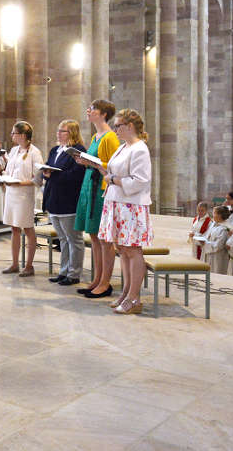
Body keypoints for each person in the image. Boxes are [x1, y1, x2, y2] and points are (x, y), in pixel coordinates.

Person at [95, 109, 153, 314]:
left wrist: (112, 179)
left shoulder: (140, 149)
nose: (116, 129)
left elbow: (140, 181)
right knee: (122, 250)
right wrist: (104, 172)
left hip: (131, 205)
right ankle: (126, 292)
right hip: (116, 202)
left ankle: (134, 298)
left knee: (133, 250)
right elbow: (115, 172)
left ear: (129, 126)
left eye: (118, 125)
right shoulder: (123, 147)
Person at [74, 100, 121, 298]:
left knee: (104, 240)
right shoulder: (95, 136)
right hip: (89, 185)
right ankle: (97, 278)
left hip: (102, 190)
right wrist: (84, 161)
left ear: (103, 114)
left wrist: (92, 162)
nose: (88, 110)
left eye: (92, 109)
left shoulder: (110, 137)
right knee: (93, 237)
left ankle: (105, 282)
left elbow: (115, 165)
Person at [42, 120, 87, 286]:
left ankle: (74, 274)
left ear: (72, 133)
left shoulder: (78, 151)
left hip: (69, 200)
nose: (58, 133)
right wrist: (45, 171)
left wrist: (53, 175)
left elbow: (77, 175)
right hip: (54, 198)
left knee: (74, 239)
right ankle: (63, 271)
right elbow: (49, 169)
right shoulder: (55, 150)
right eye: (58, 130)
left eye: (62, 131)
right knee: (62, 239)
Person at [1, 121, 43, 277]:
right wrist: (4, 177)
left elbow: (38, 179)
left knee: (27, 228)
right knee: (14, 228)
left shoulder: (34, 153)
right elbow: (8, 170)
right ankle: (14, 263)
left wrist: (20, 183)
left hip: (24, 194)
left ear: (23, 135)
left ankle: (29, 265)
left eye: (14, 133)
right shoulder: (13, 151)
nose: (12, 135)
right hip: (11, 193)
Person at [202, 205, 233, 273]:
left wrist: (205, 243)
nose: (212, 215)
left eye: (214, 213)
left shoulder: (225, 228)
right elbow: (207, 236)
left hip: (218, 257)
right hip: (209, 254)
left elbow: (219, 245)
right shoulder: (214, 224)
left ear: (220, 215)